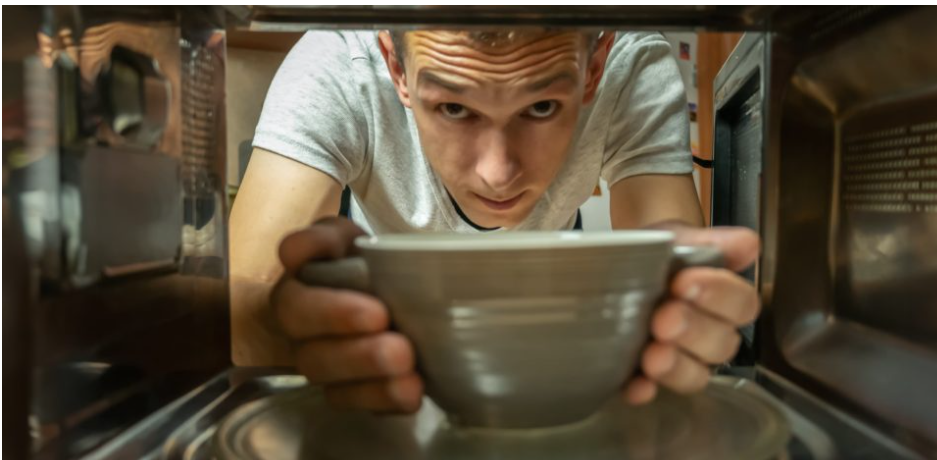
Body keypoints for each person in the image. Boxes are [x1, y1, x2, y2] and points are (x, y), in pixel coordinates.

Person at [229, 29, 760, 413]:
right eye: (454, 109)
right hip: (382, 308)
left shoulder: (629, 66)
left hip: (548, 294)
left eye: (543, 106)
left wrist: (682, 305)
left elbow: (667, 245)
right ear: (396, 67)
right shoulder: (337, 60)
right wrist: (284, 326)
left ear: (594, 66)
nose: (498, 173)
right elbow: (245, 292)